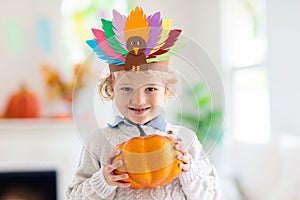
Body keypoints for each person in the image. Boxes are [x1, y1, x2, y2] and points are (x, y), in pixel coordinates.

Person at [66, 6, 221, 200]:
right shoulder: (98, 142)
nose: (139, 100)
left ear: (166, 90)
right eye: (126, 89)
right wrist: (103, 181)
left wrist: (190, 171)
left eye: (150, 89)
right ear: (111, 89)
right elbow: (73, 196)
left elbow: (213, 194)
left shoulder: (185, 140)